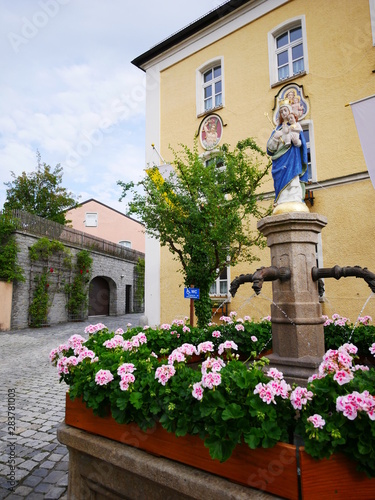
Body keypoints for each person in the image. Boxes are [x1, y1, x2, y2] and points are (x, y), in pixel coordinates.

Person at [267, 101, 308, 209]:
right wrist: (275, 137)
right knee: (280, 181)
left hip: (293, 159)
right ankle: (281, 199)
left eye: (285, 110)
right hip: (279, 161)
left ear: (290, 112)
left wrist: (296, 141)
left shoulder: (295, 127)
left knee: (293, 180)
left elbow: (302, 145)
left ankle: (294, 198)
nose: (283, 113)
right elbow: (269, 150)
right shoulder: (276, 130)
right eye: (281, 112)